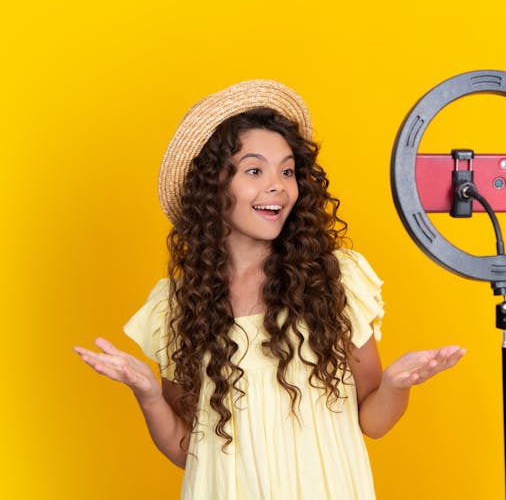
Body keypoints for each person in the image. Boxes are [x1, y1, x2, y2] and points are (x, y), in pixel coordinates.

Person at [74, 79, 465, 499]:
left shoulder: (335, 281)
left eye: (287, 170)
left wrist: (396, 385)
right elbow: (190, 451)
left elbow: (373, 421)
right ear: (213, 188)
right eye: (254, 170)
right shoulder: (179, 305)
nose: (278, 185)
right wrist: (148, 394)